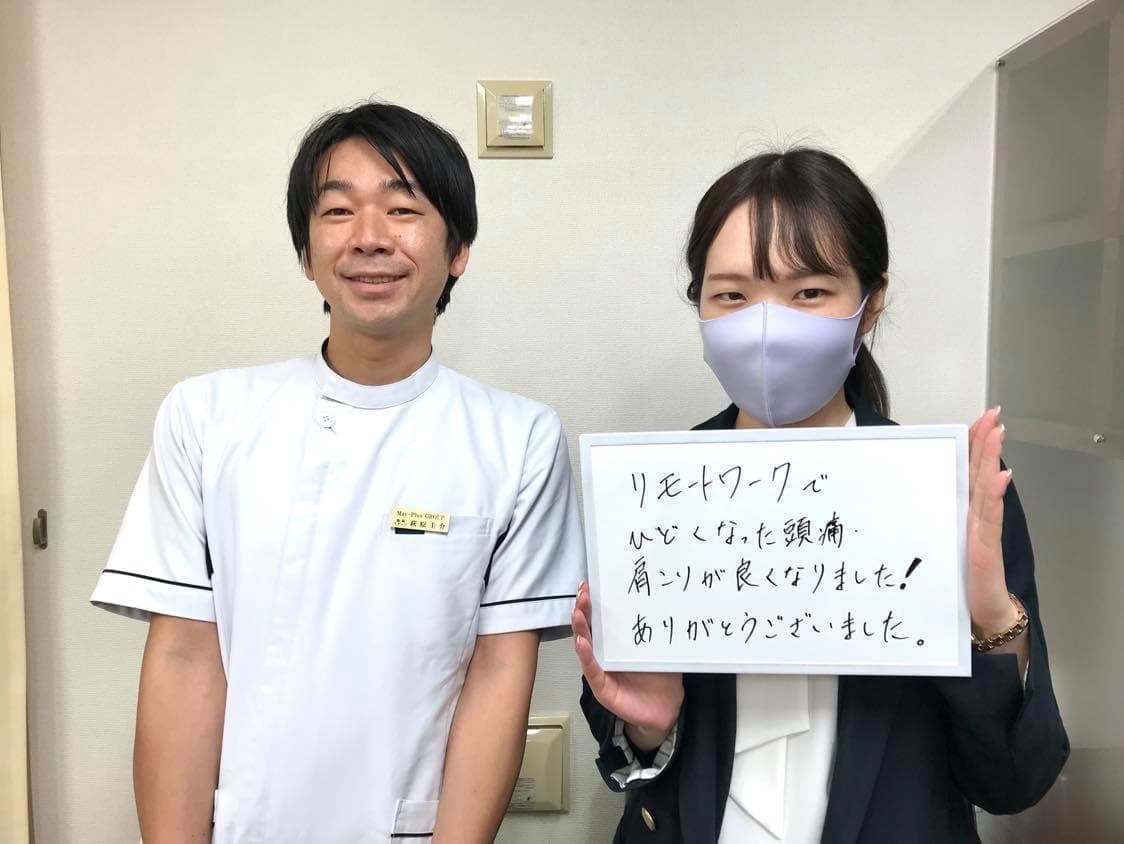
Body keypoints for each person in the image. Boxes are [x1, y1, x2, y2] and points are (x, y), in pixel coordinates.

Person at [90, 101, 586, 843]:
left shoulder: (519, 440)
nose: (370, 237)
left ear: (458, 249)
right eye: (338, 210)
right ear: (306, 251)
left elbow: (497, 675)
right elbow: (184, 659)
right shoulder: (206, 416)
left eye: (403, 208)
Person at [574, 148, 1068, 843]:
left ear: (870, 304)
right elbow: (626, 739)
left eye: (808, 292)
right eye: (732, 296)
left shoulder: (951, 490)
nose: (766, 325)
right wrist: (649, 727)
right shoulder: (653, 489)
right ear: (701, 307)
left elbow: (1013, 785)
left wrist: (992, 624)